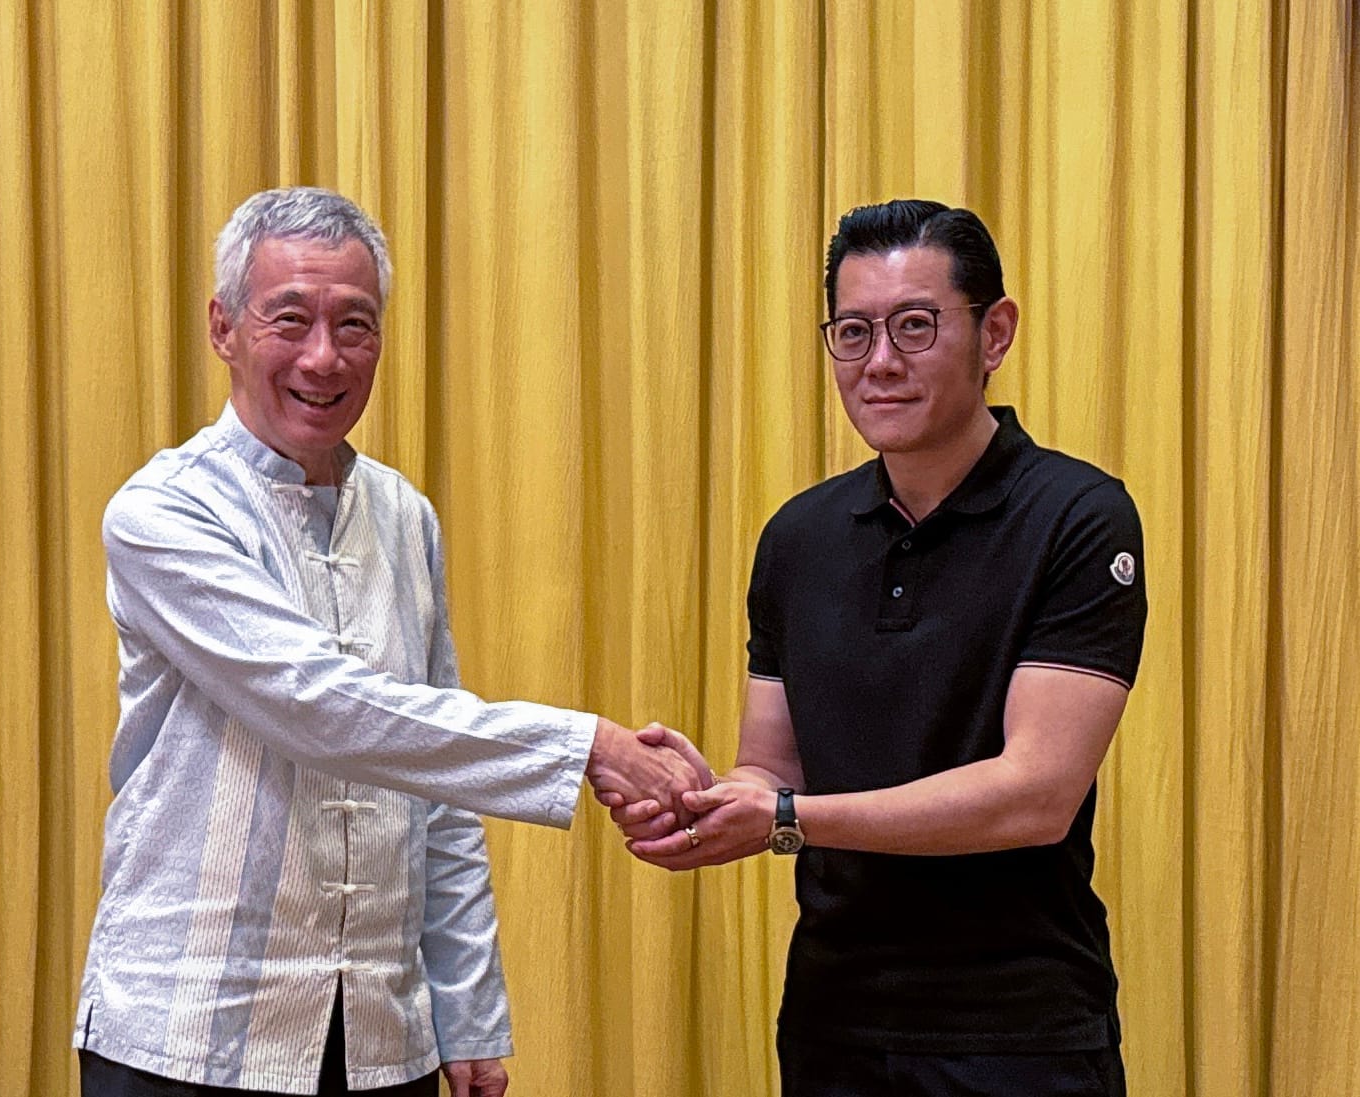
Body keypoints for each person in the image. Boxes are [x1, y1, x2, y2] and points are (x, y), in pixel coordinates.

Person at [73, 186, 706, 1097]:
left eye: (355, 325)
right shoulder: (162, 512)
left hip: (379, 1037)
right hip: (187, 1030)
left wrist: (467, 1010)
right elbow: (319, 706)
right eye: (288, 319)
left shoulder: (405, 516)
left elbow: (435, 784)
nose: (323, 357)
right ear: (222, 327)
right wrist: (588, 748)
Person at [615, 200, 1147, 1096]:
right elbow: (769, 766)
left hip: (1018, 1032)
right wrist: (700, 800)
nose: (881, 362)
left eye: (914, 325)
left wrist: (785, 818)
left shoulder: (1078, 517)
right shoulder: (798, 536)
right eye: (852, 333)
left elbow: (1034, 796)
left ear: (995, 332)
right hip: (834, 1021)